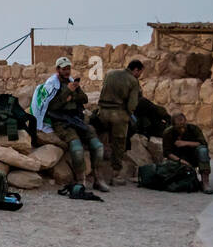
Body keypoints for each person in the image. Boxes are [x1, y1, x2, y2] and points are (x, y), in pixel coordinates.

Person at [32, 57, 108, 192]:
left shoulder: (72, 82)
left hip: (77, 119)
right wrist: (67, 92)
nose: (67, 71)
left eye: (68, 68)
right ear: (58, 70)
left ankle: (98, 179)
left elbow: (84, 99)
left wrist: (72, 94)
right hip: (61, 122)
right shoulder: (52, 85)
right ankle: (81, 181)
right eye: (64, 69)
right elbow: (52, 107)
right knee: (76, 147)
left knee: (98, 145)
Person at [95, 59, 144, 186]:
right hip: (118, 115)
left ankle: (97, 173)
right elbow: (132, 104)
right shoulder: (133, 81)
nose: (139, 75)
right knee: (119, 144)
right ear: (136, 70)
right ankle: (115, 175)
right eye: (140, 72)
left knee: (102, 139)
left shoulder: (110, 73)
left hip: (102, 112)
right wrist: (129, 115)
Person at [163, 112, 213, 194]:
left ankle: (205, 182)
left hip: (193, 156)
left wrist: (185, 143)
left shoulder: (194, 129)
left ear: (186, 121)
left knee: (203, 150)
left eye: (183, 124)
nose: (182, 128)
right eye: (179, 126)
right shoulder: (168, 133)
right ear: (173, 125)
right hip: (178, 159)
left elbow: (203, 143)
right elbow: (167, 153)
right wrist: (180, 161)